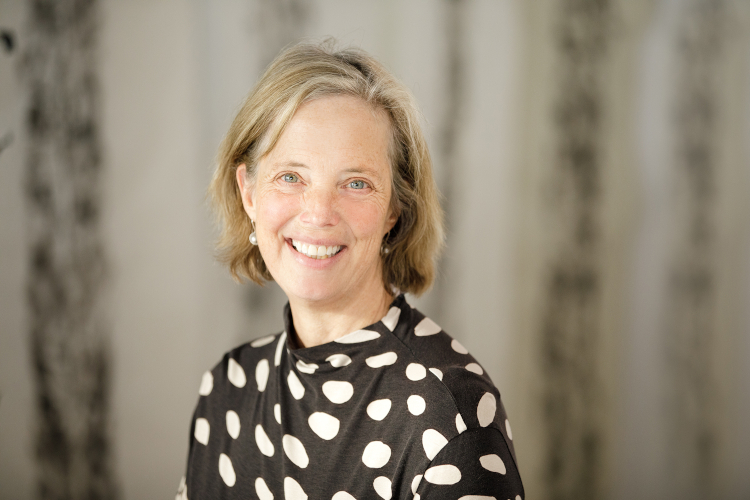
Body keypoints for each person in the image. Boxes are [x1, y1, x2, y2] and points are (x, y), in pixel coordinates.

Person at [177, 41, 524, 500]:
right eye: (291, 176)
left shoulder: (451, 413)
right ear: (249, 193)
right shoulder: (227, 388)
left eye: (356, 183)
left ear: (394, 212)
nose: (319, 213)